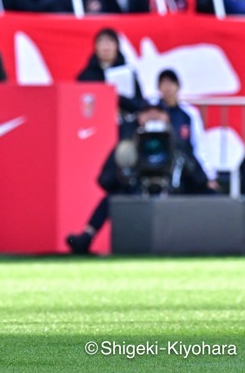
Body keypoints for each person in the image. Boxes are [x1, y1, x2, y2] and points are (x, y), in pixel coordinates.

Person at [66, 103, 210, 254]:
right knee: (110, 200)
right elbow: (105, 180)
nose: (153, 117)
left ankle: (213, 240)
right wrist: (124, 167)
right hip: (136, 194)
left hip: (175, 196)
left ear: (167, 118)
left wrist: (185, 164)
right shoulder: (129, 145)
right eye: (148, 113)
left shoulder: (179, 145)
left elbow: (200, 179)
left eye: (158, 113)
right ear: (139, 118)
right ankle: (87, 236)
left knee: (211, 196)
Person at [155, 69, 218, 189]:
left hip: (185, 165)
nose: (167, 88)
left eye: (171, 83)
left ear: (178, 86)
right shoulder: (151, 111)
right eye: (163, 83)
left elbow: (200, 145)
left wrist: (209, 175)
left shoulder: (188, 113)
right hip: (159, 165)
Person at [77, 27, 144, 139]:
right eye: (102, 41)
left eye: (110, 41)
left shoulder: (127, 72)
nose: (106, 46)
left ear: (117, 46)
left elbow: (139, 104)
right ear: (96, 47)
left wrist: (118, 97)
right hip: (94, 127)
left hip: (124, 126)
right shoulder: (86, 76)